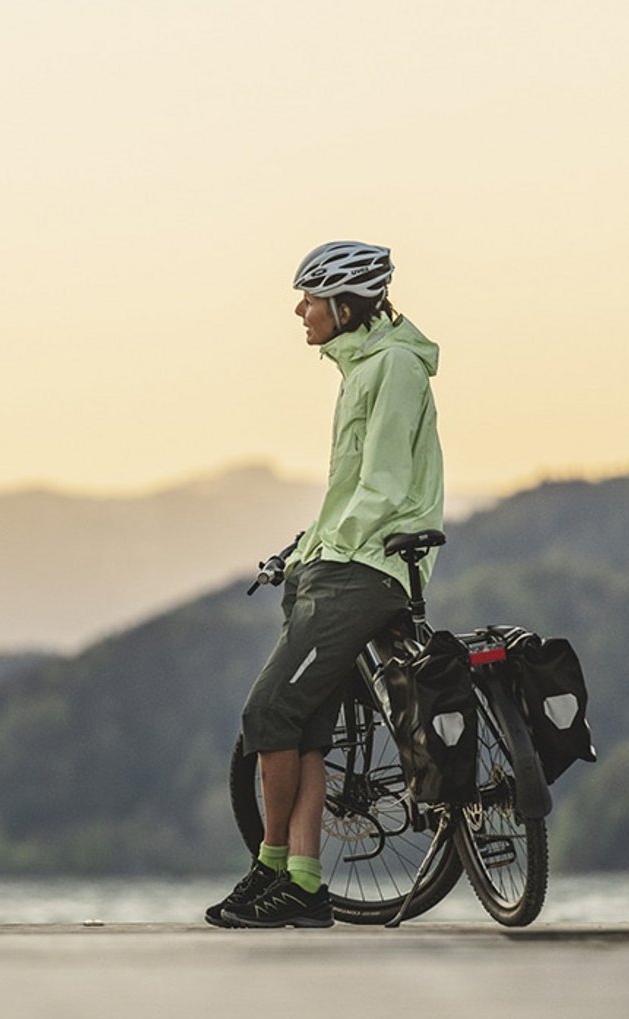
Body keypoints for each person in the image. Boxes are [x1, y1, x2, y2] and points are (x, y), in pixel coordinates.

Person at [208, 241, 445, 929]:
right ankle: (305, 884)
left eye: (309, 298)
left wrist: (329, 544)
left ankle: (273, 865)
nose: (299, 310)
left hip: (366, 572)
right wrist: (306, 545)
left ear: (344, 303)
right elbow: (351, 487)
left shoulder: (394, 367)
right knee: (307, 729)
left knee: (267, 713)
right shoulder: (363, 367)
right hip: (340, 563)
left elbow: (384, 486)